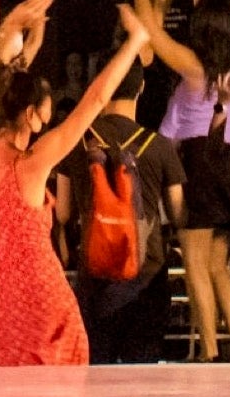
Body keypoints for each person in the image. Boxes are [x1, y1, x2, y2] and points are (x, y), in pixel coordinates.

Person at [0, 5, 153, 367]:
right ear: (30, 114)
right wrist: (135, 40)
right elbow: (95, 100)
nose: (47, 116)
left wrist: (9, 36)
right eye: (43, 109)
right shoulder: (29, 164)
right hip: (40, 301)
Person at [126, 0, 230, 362]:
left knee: (194, 264)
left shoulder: (193, 66)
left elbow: (150, 29)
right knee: (218, 265)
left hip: (202, 162)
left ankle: (208, 351)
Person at [51, 57, 185, 364]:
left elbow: (63, 213)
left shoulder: (77, 144)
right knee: (143, 369)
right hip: (146, 274)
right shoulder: (158, 145)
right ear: (141, 87)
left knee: (98, 372)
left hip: (96, 273)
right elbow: (177, 213)